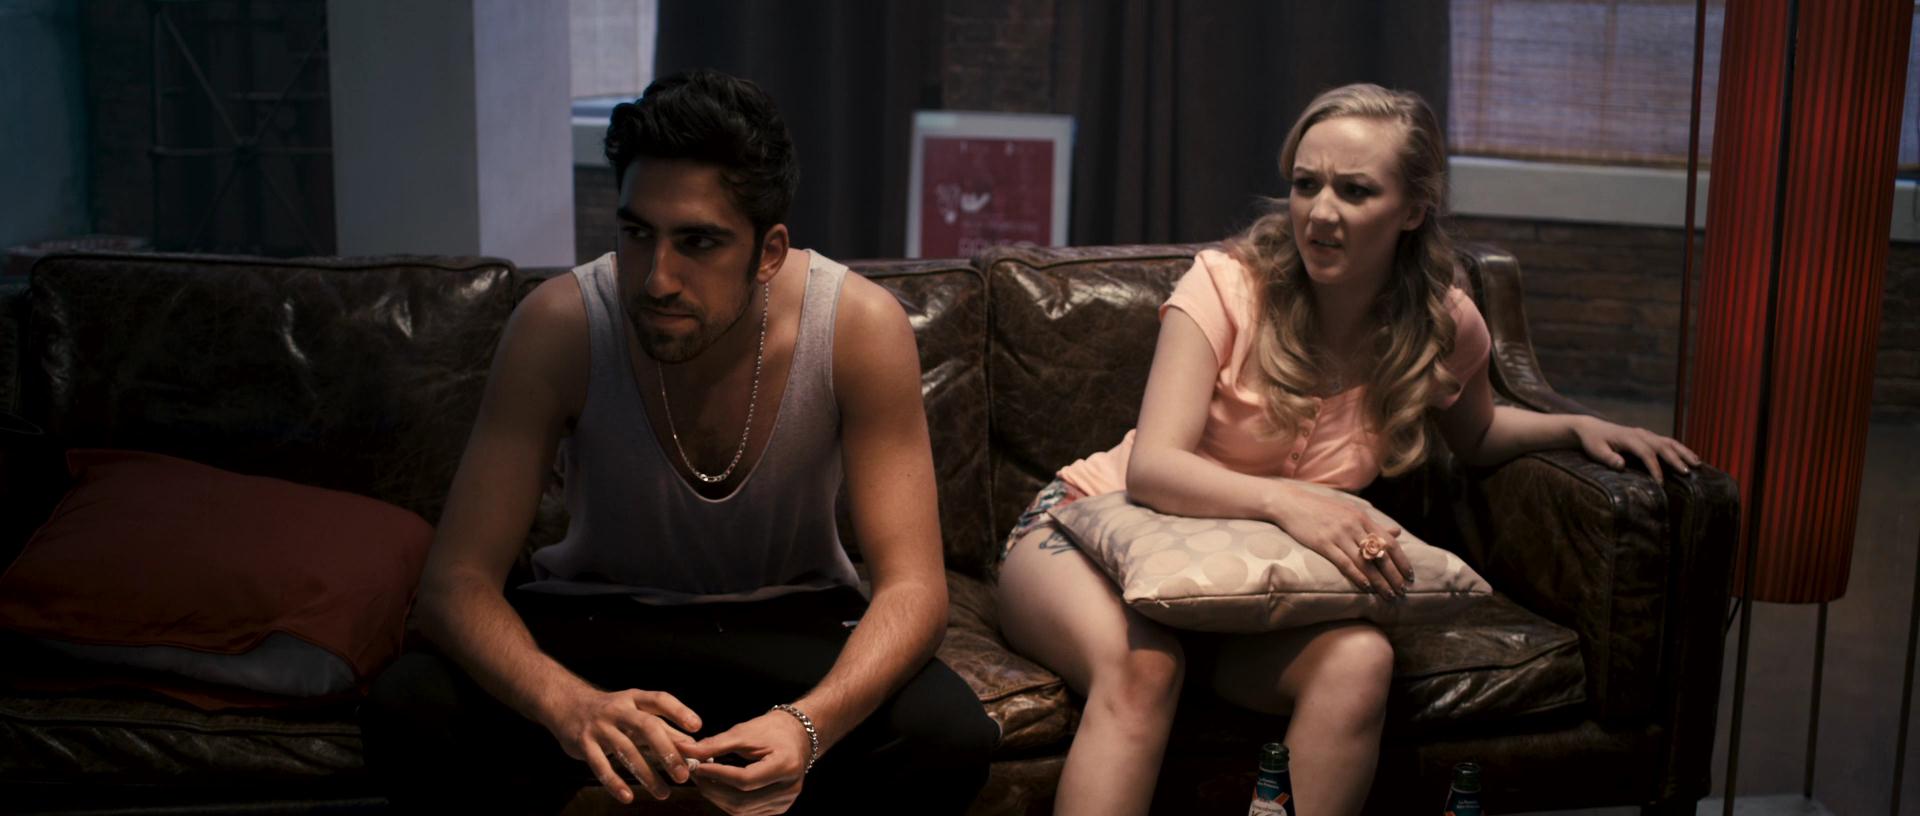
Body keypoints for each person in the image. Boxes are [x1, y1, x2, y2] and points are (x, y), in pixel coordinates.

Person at [994, 83, 1700, 816]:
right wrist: (1292, 504)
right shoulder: (1227, 284)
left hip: (1242, 593)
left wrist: (1575, 426)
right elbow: (1155, 468)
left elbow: (1479, 435)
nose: (1320, 212)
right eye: (1307, 185)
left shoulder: (1443, 323)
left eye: (1355, 191)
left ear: (1414, 208)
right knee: (1146, 668)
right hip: (1087, 536)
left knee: (1361, 661)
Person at [361, 69, 997, 815]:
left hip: (789, 620)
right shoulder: (560, 325)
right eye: (638, 234)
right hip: (599, 619)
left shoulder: (858, 327)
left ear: (769, 251)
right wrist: (571, 707)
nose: (656, 279)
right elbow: (454, 584)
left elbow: (916, 589)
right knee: (409, 708)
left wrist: (808, 726)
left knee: (947, 735)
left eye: (698, 242)